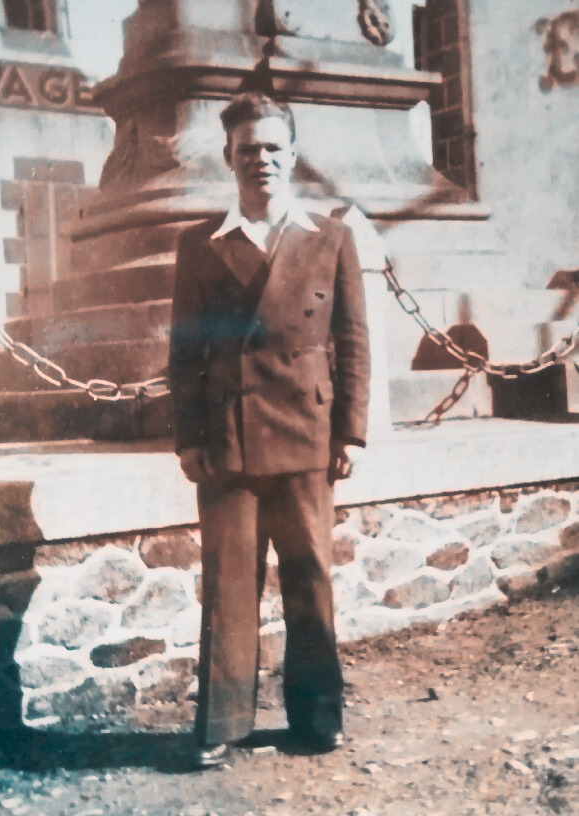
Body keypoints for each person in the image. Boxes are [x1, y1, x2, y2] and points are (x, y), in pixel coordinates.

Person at [168, 92, 370, 767]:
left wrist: (350, 432)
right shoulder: (199, 244)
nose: (260, 159)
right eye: (247, 148)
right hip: (228, 434)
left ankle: (317, 717)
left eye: (272, 147)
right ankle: (223, 724)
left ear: (292, 154)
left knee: (310, 576)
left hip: (308, 432)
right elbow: (184, 354)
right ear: (229, 157)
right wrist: (188, 437)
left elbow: (353, 340)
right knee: (228, 581)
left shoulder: (330, 236)